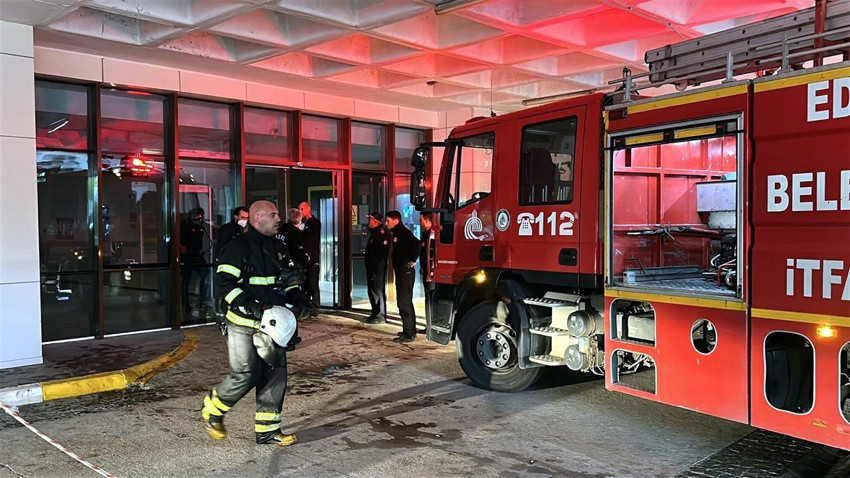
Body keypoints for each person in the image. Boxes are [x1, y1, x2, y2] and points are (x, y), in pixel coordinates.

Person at [201, 200, 307, 447]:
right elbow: (225, 284)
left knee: (274, 375)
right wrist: (248, 303)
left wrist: (298, 296)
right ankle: (212, 410)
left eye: (278, 214)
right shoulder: (237, 247)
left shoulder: (279, 246)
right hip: (243, 323)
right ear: (257, 219)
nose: (279, 218)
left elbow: (286, 280)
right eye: (273, 214)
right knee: (246, 375)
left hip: (272, 325)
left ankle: (268, 431)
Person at [386, 210, 420, 343]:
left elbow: (416, 244)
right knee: (402, 300)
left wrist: (412, 260)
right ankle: (407, 328)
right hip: (401, 272)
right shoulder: (396, 232)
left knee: (404, 301)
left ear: (396, 220)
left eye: (388, 220)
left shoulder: (403, 233)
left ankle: (409, 332)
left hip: (405, 272)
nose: (386, 223)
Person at [180, 207, 210, 316]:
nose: (199, 217)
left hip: (198, 255)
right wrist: (179, 246)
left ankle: (202, 301)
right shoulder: (184, 225)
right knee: (185, 281)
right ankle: (186, 304)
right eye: (198, 215)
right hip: (186, 256)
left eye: (201, 215)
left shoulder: (202, 227)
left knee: (205, 276)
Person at [364, 212, 389, 325]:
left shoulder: (380, 234)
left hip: (377, 269)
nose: (368, 222)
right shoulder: (374, 234)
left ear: (375, 222)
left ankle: (380, 315)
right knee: (372, 291)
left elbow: (381, 253)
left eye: (370, 220)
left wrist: (375, 267)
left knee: (378, 291)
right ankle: (375, 313)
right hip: (372, 268)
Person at [298, 201, 321, 317]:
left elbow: (311, 236)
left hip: (312, 259)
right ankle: (306, 306)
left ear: (308, 209)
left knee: (313, 283)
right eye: (299, 209)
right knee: (304, 283)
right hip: (303, 259)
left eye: (302, 209)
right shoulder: (300, 223)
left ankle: (315, 306)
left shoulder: (314, 223)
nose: (300, 212)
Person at [419, 212, 436, 292]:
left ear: (426, 220)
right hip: (425, 269)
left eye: (421, 219)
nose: (420, 221)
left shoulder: (432, 235)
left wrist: (430, 272)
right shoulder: (425, 234)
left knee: (430, 292)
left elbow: (432, 254)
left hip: (430, 270)